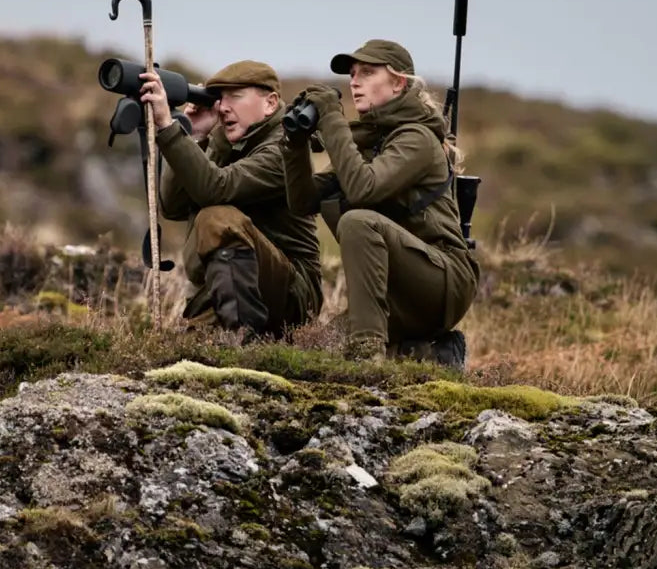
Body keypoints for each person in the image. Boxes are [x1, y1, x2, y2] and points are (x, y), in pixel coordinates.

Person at [282, 40, 478, 366]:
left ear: (398, 82)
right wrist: (295, 143)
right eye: (352, 74)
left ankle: (367, 359)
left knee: (357, 221)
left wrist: (330, 118)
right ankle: (433, 355)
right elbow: (302, 201)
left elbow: (362, 189)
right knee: (315, 352)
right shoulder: (370, 142)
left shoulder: (417, 139)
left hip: (442, 283)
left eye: (368, 73)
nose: (354, 81)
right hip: (392, 293)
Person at [139, 60, 323, 338]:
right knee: (193, 350)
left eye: (235, 96)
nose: (223, 107)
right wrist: (196, 135)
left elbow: (216, 188)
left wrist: (168, 126)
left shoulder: (285, 149)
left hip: (294, 294)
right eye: (218, 98)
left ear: (270, 103)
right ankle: (227, 331)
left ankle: (241, 337)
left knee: (217, 218)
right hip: (231, 286)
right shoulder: (228, 143)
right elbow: (172, 206)